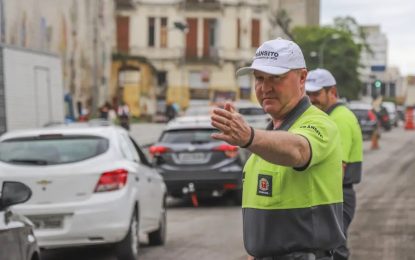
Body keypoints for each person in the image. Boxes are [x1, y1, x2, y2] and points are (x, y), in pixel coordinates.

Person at [211, 38, 345, 260]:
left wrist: (249, 137)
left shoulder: (320, 123)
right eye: (259, 78)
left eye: (276, 77)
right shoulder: (269, 136)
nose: (265, 87)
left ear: (302, 77)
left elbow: (298, 150)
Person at [305, 68, 363, 260]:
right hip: (333, 195)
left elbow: (338, 168)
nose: (311, 98)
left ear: (332, 92)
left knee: (332, 249)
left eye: (317, 93)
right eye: (308, 93)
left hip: (336, 195)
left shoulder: (340, 119)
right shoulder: (329, 117)